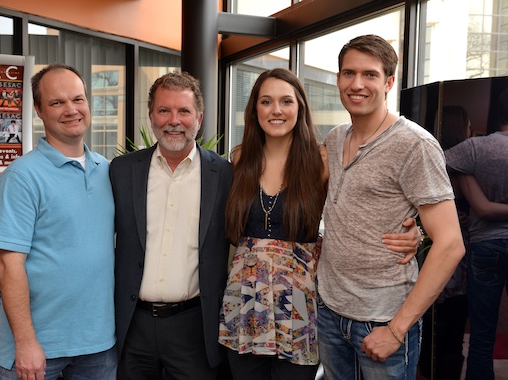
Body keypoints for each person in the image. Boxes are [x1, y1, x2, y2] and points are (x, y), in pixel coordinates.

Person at [218, 68, 422, 380]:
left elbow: (358, 209)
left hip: (301, 302)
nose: (276, 110)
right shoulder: (238, 159)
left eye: (286, 101)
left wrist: (412, 229)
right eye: (266, 101)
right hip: (244, 302)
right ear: (254, 109)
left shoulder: (322, 161)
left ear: (299, 108)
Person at [316, 34, 465, 380]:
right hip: (330, 310)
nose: (357, 84)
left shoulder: (415, 145)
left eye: (369, 74)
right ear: (338, 79)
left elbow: (451, 244)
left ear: (389, 82)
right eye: (348, 73)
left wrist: (397, 330)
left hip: (381, 318)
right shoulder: (336, 137)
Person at [0, 63, 117, 380]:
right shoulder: (22, 176)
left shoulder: (109, 171)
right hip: (38, 350)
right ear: (38, 111)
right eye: (57, 103)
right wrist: (26, 342)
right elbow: (9, 265)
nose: (71, 110)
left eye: (78, 99)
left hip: (99, 347)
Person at [110, 71, 233, 379]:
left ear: (199, 118)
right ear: (151, 116)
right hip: (132, 325)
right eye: (164, 110)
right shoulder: (122, 171)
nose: (174, 120)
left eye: (184, 111)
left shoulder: (225, 175)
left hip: (194, 326)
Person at [445, 89, 508, 380]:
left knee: (482, 335)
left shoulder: (474, 148)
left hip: (486, 245)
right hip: (486, 244)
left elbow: (433, 160)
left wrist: (465, 175)